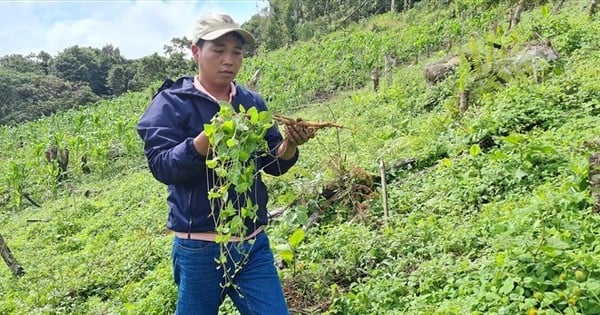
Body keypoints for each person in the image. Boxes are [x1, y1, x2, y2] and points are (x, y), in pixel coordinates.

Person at [136, 12, 315, 315]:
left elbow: (272, 161)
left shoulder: (251, 102)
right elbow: (162, 166)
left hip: (252, 242)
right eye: (218, 51)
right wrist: (202, 143)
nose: (229, 60)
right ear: (196, 52)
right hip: (200, 248)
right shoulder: (171, 102)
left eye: (237, 52)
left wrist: (289, 146)